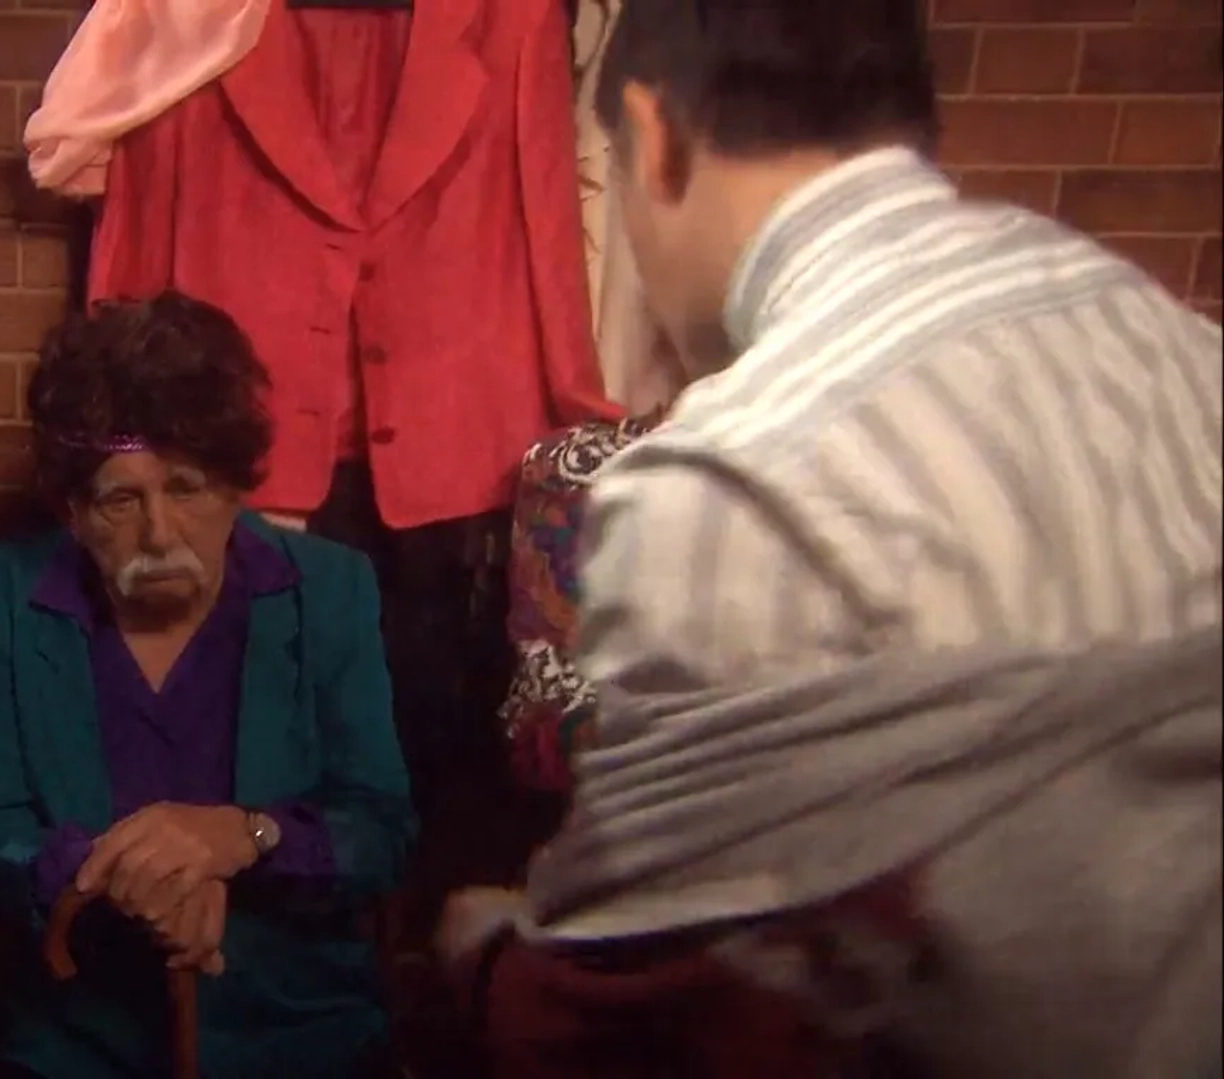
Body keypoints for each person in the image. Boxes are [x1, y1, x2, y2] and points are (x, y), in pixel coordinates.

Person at [438, 1, 1222, 1077]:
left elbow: (634, 1016)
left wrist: (481, 954)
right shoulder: (1175, 344)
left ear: (654, 140)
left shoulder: (730, 477)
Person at [0, 291, 415, 1079]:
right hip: (75, 1042)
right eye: (121, 498)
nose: (159, 532)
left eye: (186, 488)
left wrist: (246, 836)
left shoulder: (330, 591)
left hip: (302, 1035)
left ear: (234, 487)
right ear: (73, 511)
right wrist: (120, 876)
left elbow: (381, 830)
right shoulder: (8, 597)